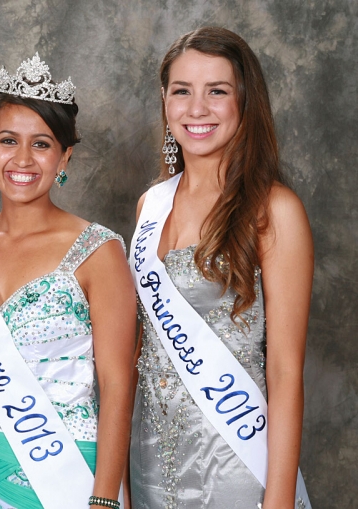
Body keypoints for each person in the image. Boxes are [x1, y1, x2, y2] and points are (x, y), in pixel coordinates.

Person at [0, 54, 136, 509]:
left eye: (42, 144)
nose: (23, 159)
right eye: (8, 141)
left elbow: (117, 380)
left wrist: (105, 498)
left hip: (68, 475)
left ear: (65, 155)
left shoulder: (99, 250)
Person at [129, 27, 313, 509]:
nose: (197, 109)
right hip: (149, 460)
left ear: (244, 102)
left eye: (217, 91)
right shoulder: (151, 205)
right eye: (182, 91)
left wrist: (278, 501)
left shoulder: (274, 210)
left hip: (234, 465)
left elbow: (286, 369)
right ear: (165, 101)